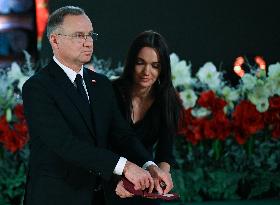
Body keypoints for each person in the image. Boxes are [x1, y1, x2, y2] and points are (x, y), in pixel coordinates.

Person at [22, 6, 172, 205]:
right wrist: (125, 167)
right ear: (55, 40)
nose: (88, 43)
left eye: (90, 35)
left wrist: (150, 165)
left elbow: (121, 134)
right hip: (56, 197)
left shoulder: (100, 84)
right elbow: (66, 145)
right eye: (79, 35)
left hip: (101, 197)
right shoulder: (37, 87)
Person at [104, 31, 183, 205]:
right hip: (108, 178)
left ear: (163, 69)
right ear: (131, 63)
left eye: (155, 65)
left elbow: (165, 152)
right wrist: (116, 179)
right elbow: (101, 144)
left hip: (145, 181)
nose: (147, 72)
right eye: (140, 63)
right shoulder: (111, 92)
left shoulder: (168, 101)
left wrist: (161, 179)